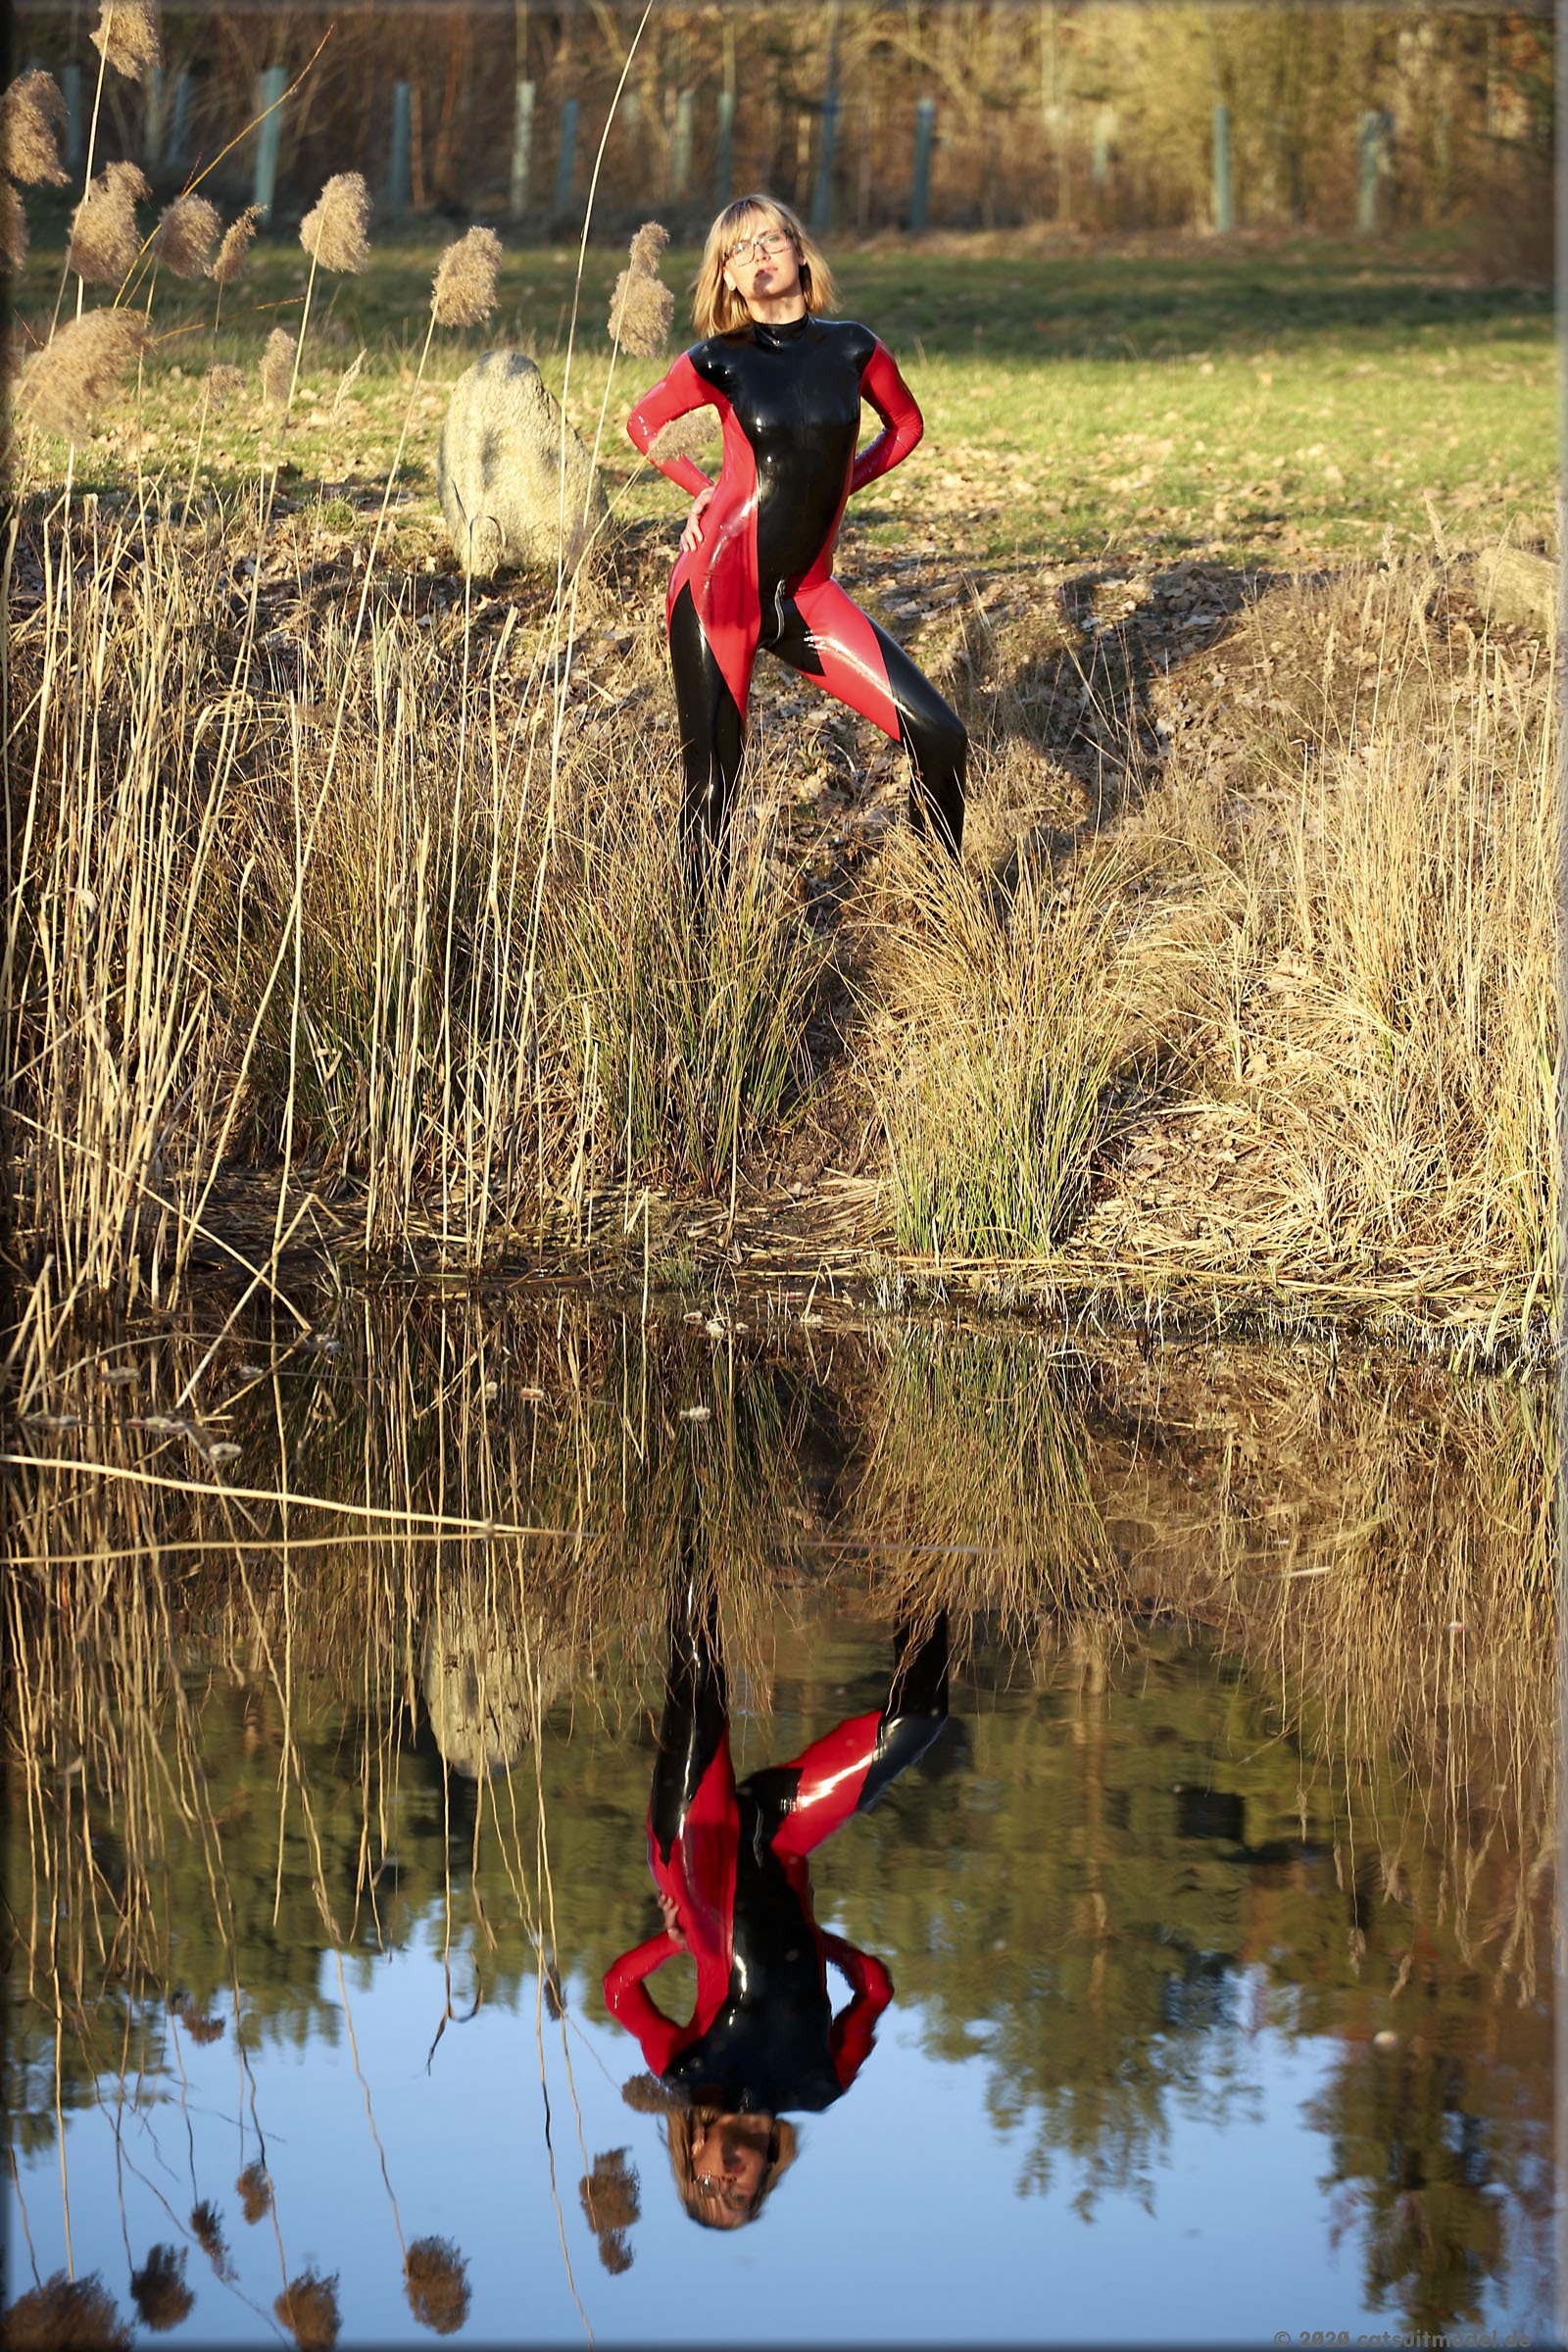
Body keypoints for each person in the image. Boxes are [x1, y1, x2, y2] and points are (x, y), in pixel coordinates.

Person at [626, 194, 966, 883]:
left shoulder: (853, 348)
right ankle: (696, 940)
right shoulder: (717, 360)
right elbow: (644, 423)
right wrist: (702, 491)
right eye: (738, 248)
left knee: (940, 736)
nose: (757, 253)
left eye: (770, 239)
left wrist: (844, 483)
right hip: (718, 592)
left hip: (808, 597)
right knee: (714, 788)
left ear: (800, 252)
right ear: (725, 277)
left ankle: (935, 904)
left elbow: (905, 427)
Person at [603, 1573, 949, 2228]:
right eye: (740, 2197)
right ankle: (924, 1562)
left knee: (699, 1679)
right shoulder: (821, 2084)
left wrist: (670, 1945)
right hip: (778, 1832)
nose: (728, 2182)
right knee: (918, 1722)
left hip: (698, 1852)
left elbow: (618, 1992)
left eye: (709, 2188)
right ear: (765, 2176)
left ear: (694, 2155)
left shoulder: (687, 2072)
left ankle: (692, 1527)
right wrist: (822, 1944)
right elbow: (875, 1990)